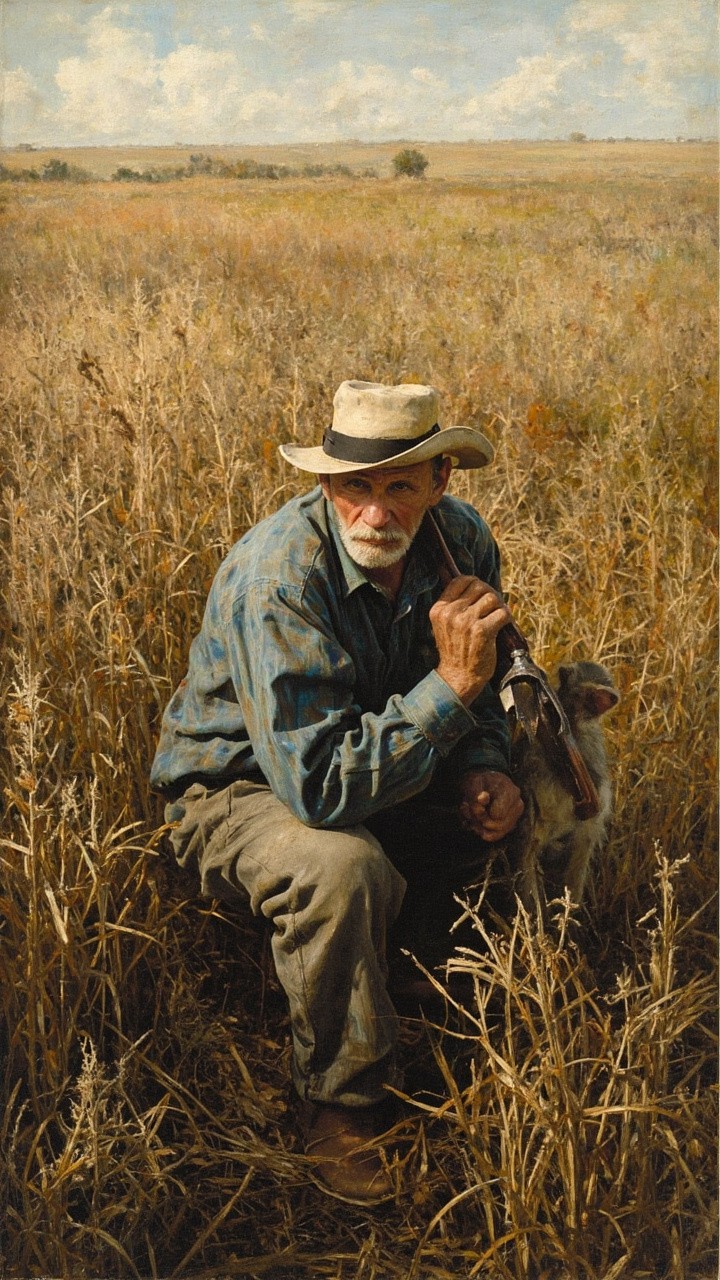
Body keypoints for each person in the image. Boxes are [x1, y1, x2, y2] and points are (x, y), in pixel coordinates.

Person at [150, 379, 524, 1203]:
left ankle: (415, 978)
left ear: (440, 485)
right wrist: (450, 694)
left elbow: (488, 688)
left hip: (368, 758)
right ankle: (343, 1101)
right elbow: (316, 788)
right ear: (325, 485)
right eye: (355, 486)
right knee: (342, 868)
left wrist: (483, 765)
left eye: (398, 486)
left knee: (516, 800)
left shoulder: (459, 543)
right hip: (242, 792)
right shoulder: (278, 580)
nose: (375, 513)